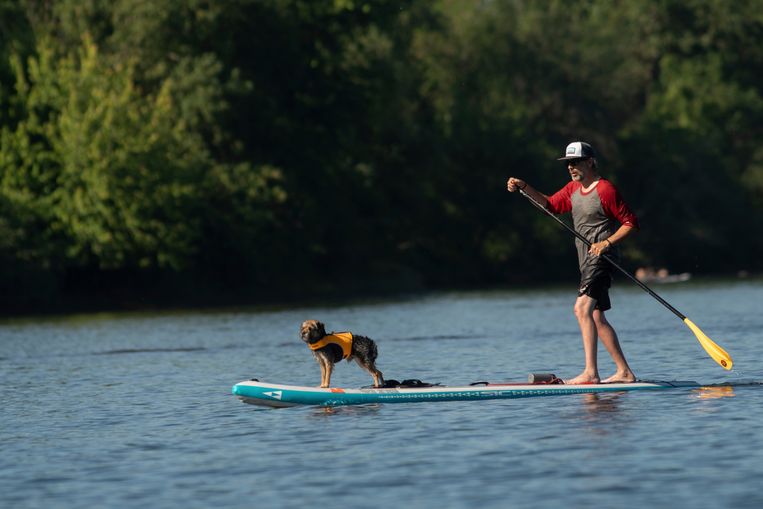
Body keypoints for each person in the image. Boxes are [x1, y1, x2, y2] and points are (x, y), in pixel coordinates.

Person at [507, 141, 639, 384]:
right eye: (568, 163)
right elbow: (551, 205)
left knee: (581, 309)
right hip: (586, 260)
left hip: (602, 259)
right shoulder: (572, 189)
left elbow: (630, 222)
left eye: (575, 162)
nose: (571, 167)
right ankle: (624, 372)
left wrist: (606, 243)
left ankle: (591, 372)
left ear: (590, 162)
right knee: (597, 317)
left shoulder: (606, 190)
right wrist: (525, 187)